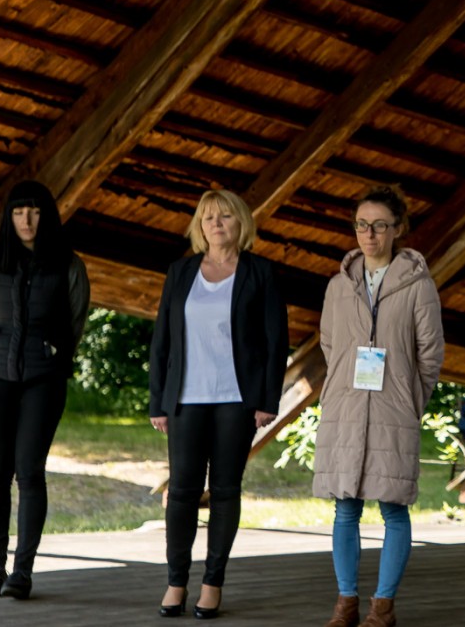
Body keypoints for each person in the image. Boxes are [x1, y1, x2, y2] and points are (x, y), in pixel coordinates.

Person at [149, 189, 289, 620]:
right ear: (200, 225)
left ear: (240, 222)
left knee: (226, 491)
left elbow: (275, 341)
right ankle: (176, 581)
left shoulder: (260, 272)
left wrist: (267, 400)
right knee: (182, 492)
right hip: (185, 399)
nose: (216, 224)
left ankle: (212, 583)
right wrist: (157, 401)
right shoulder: (181, 271)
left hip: (237, 400)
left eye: (225, 216)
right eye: (208, 217)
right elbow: (162, 339)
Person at [313, 185, 444, 627]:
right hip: (346, 409)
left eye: (380, 225)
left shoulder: (418, 286)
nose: (369, 234)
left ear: (398, 229)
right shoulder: (338, 286)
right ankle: (345, 603)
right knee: (344, 508)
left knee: (393, 508)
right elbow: (330, 345)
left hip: (394, 409)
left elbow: (430, 354)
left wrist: (409, 400)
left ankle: (382, 607)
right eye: (362, 225)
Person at [0, 180, 90, 600]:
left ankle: (22, 572)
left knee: (29, 472)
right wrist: (2, 352)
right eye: (19, 212)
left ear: (48, 216)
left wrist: (49, 354)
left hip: (44, 379)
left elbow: (75, 320)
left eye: (35, 211)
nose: (27, 220)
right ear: (10, 217)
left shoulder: (69, 265)